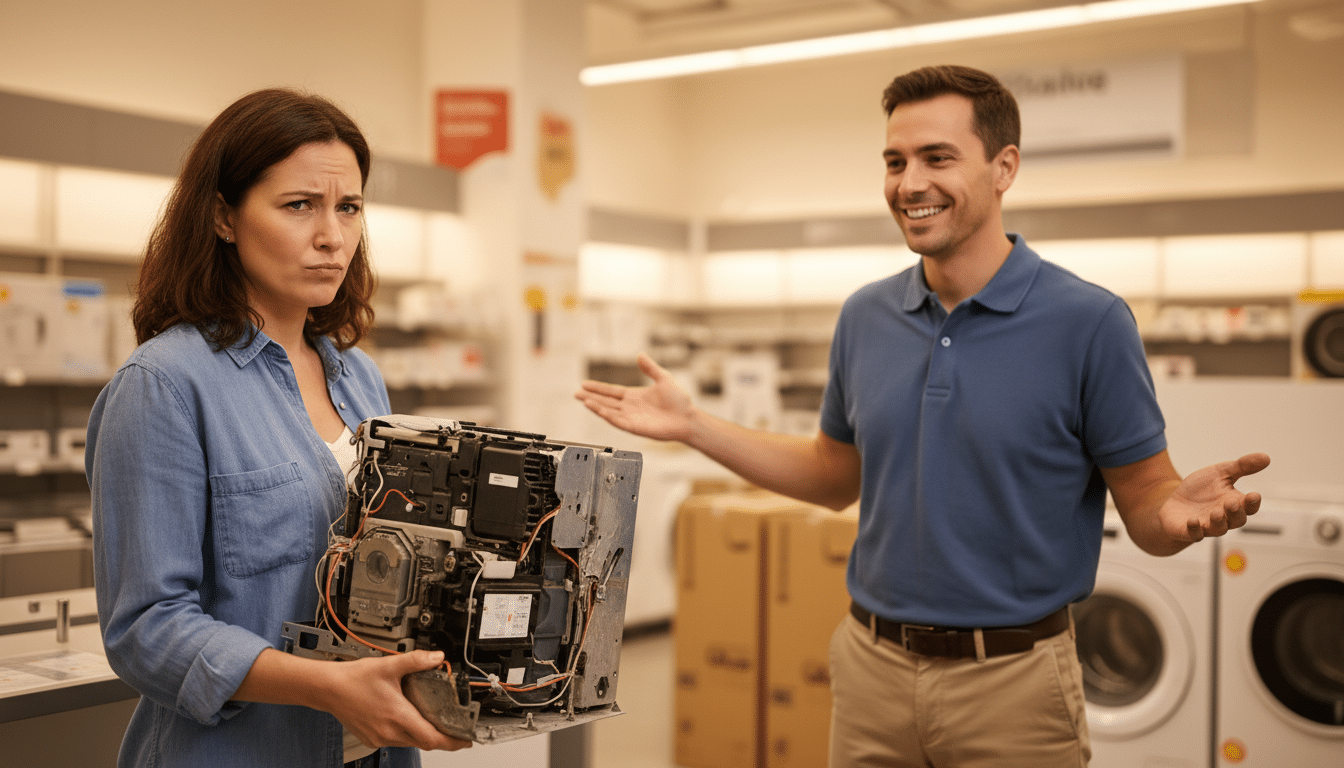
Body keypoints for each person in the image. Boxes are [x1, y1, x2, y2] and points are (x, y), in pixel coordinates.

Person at [575, 65, 1270, 768]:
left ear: (1004, 168)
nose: (910, 183)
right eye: (895, 161)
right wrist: (694, 426)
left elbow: (1148, 501)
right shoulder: (864, 316)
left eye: (938, 158)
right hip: (871, 669)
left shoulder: (1090, 323)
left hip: (1014, 682)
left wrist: (1173, 515)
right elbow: (831, 475)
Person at [86, 88, 472, 767]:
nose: (333, 236)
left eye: (348, 207)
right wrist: (324, 686)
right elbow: (146, 629)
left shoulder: (361, 379)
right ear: (223, 218)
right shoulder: (165, 387)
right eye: (300, 206)